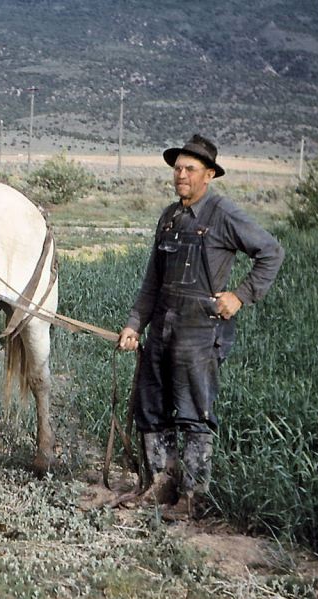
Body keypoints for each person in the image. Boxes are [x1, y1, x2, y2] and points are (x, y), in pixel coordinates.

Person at [117, 134, 284, 521]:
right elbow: (151, 282)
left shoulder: (223, 214)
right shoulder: (169, 217)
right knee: (151, 407)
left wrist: (240, 295)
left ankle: (192, 498)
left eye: (190, 169)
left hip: (199, 330)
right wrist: (134, 325)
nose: (181, 175)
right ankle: (160, 486)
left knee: (194, 412)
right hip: (162, 325)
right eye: (178, 168)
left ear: (209, 175)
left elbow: (271, 252)